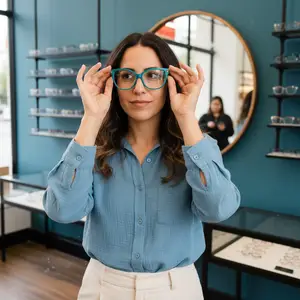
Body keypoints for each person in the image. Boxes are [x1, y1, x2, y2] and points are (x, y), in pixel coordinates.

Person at [43, 32, 240, 300]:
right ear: (113, 83)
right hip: (102, 287)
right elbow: (61, 210)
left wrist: (186, 116)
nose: (139, 88)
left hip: (176, 288)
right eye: (127, 75)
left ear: (169, 81)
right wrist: (91, 117)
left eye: (152, 75)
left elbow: (219, 209)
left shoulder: (196, 149)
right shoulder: (93, 147)